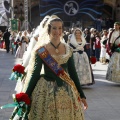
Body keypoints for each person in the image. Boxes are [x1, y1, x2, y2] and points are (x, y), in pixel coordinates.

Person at [9, 16, 88, 120]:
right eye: (54, 28)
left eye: (60, 28)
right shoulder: (41, 50)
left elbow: (73, 73)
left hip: (66, 91)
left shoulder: (68, 49)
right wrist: (25, 96)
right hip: (45, 90)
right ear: (48, 30)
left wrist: (82, 95)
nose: (57, 31)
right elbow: (35, 74)